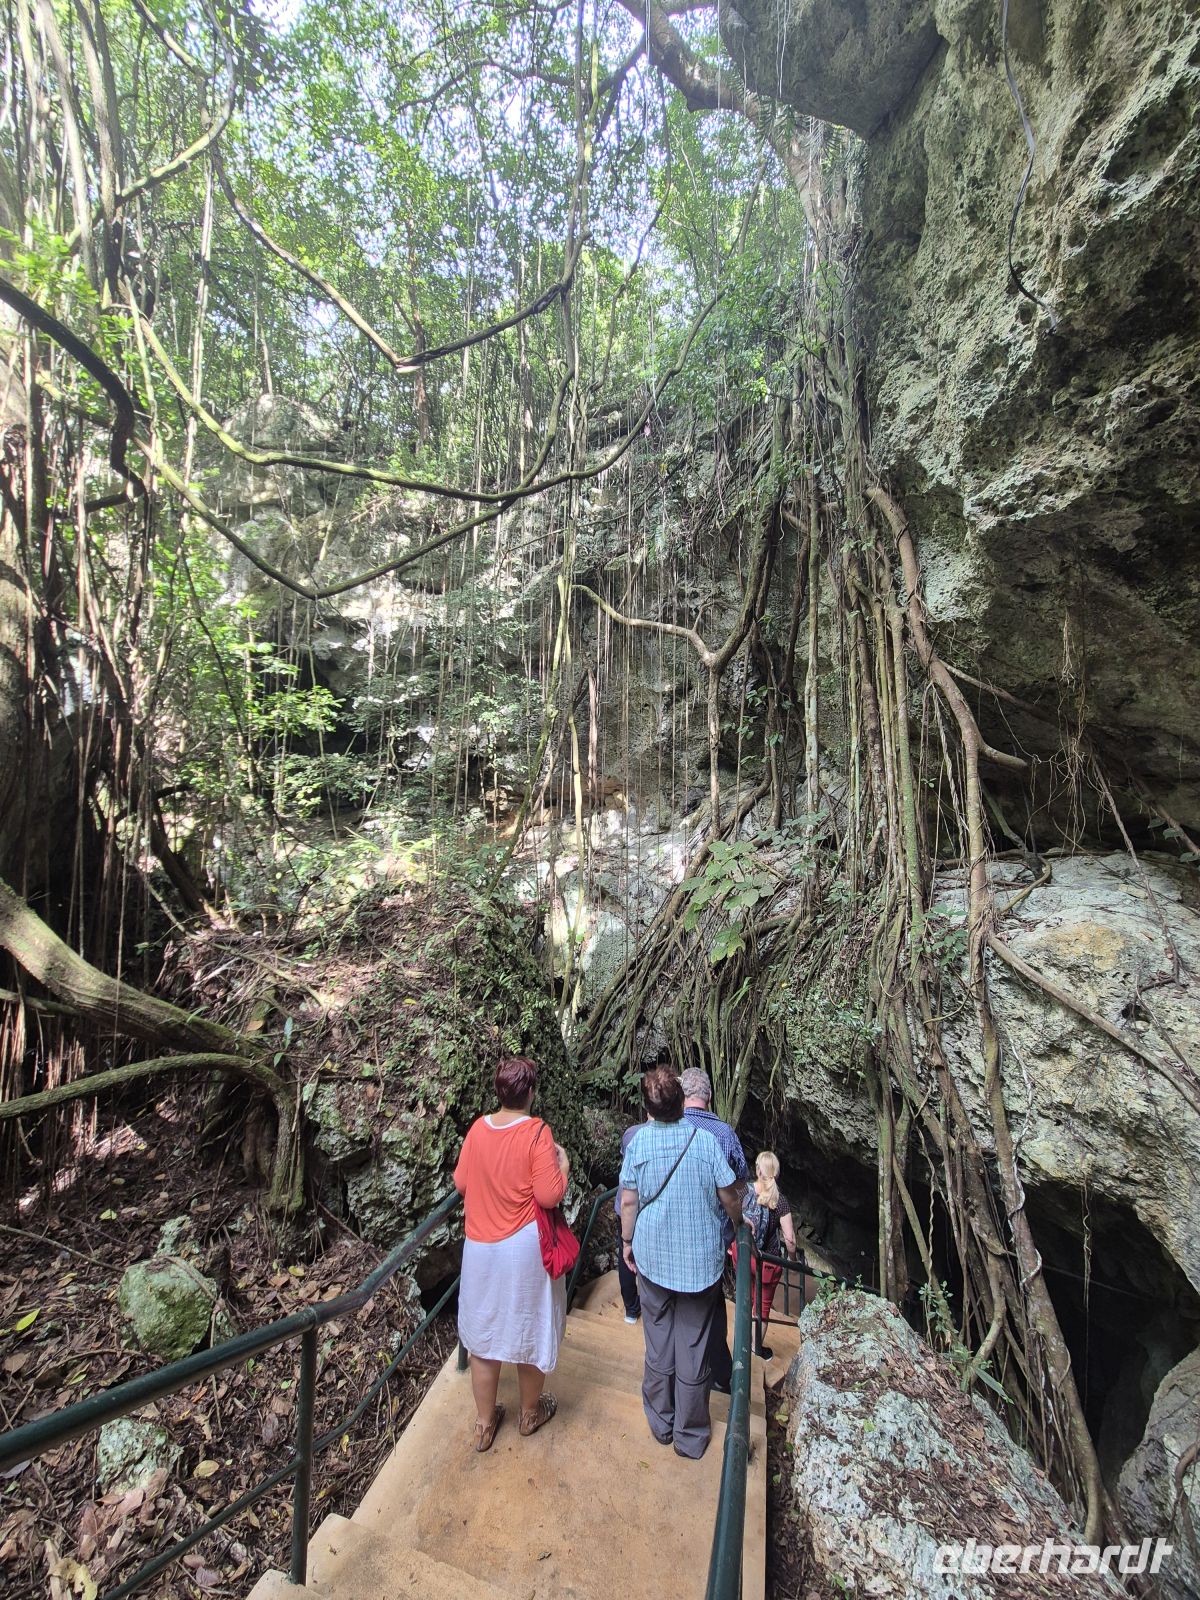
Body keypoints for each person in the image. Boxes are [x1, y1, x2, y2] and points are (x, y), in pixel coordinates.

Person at [619, 1067, 742, 1459]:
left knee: (658, 1339)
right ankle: (690, 1435)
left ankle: (661, 1420)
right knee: (693, 1344)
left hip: (653, 1258)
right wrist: (740, 1224)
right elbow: (729, 1196)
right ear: (679, 1103)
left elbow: (628, 1201)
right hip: (699, 1265)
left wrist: (626, 1241)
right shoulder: (705, 1142)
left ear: (651, 1108)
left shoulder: (638, 1143)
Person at [453, 1055, 570, 1451]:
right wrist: (564, 1168)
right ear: (530, 1094)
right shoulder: (537, 1132)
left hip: (481, 1249)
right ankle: (529, 1414)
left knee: (484, 1335)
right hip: (523, 1249)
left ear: (499, 1093)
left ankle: (485, 1425)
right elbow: (550, 1195)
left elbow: (462, 1182)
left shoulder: (477, 1129)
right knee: (530, 1328)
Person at [680, 1066, 748, 1391]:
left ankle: (679, 1374)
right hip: (711, 1240)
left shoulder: (668, 1128)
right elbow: (740, 1185)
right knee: (709, 1305)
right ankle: (720, 1374)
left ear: (684, 1095)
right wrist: (735, 1224)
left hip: (671, 1235)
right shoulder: (723, 1134)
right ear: (708, 1097)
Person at [730, 1151, 799, 1360]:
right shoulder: (781, 1201)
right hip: (766, 1261)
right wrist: (792, 1261)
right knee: (762, 1307)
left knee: (745, 1298)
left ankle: (741, 1345)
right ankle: (754, 1349)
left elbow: (730, 1215)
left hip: (742, 1254)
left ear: (758, 1170)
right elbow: (790, 1239)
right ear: (776, 1173)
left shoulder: (743, 1191)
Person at [615, 1118, 645, 1323]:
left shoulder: (631, 1133)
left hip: (625, 1205)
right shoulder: (669, 1136)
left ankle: (631, 1310)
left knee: (626, 1255)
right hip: (646, 1207)